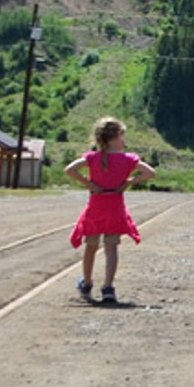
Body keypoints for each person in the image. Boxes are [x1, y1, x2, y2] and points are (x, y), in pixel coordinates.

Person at [66, 117, 156, 305]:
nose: (124, 140)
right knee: (111, 247)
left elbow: (70, 169)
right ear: (115, 137)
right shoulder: (128, 159)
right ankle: (108, 287)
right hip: (115, 207)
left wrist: (89, 184)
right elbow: (150, 173)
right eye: (122, 135)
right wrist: (129, 182)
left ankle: (87, 283)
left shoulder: (93, 157)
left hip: (96, 207)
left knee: (91, 246)